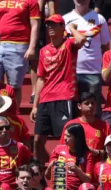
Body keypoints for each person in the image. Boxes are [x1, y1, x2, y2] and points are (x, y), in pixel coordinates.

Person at [31, 14, 86, 163]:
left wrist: (72, 28)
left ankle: (68, 168)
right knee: (37, 141)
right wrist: (35, 105)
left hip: (65, 96)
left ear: (62, 27)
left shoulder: (69, 44)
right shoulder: (43, 51)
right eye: (48, 25)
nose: (50, 27)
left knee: (67, 138)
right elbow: (41, 78)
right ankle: (41, 170)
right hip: (45, 99)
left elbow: (81, 40)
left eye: (54, 24)